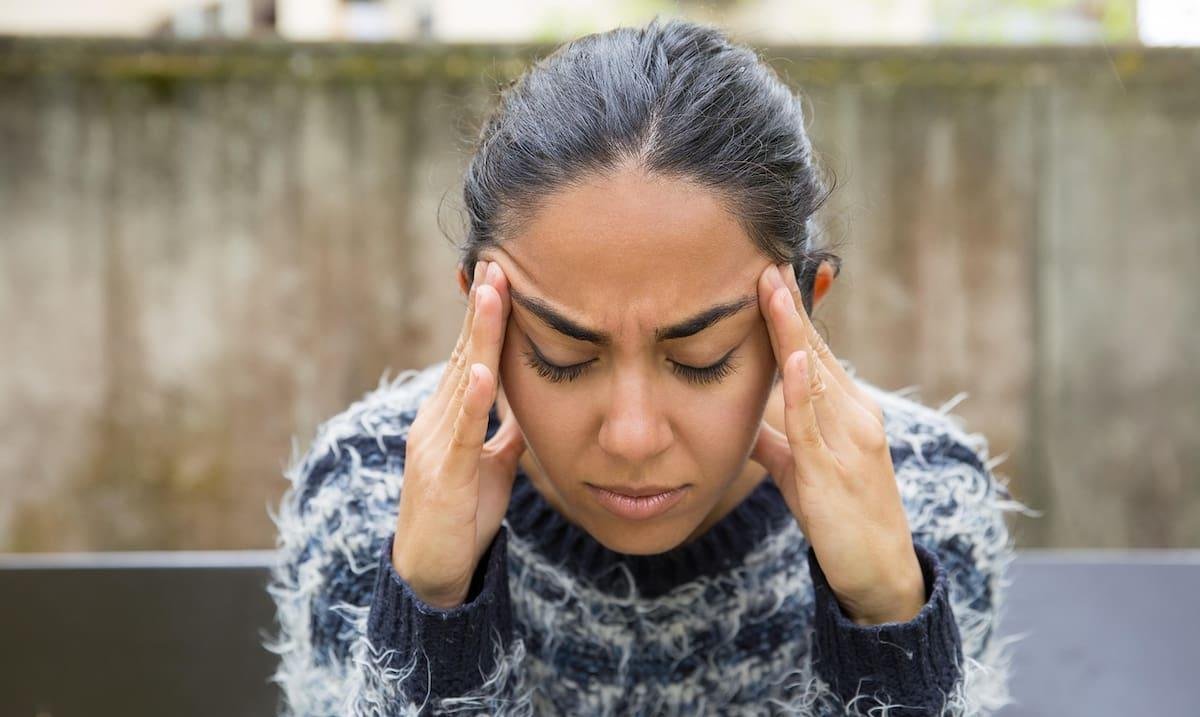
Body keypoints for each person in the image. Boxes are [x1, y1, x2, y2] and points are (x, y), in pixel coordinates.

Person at [263, 16, 1031, 716]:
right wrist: (431, 603)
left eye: (701, 358)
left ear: (804, 308)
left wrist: (888, 616)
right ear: (481, 315)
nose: (632, 436)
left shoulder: (921, 491)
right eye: (563, 355)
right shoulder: (368, 486)